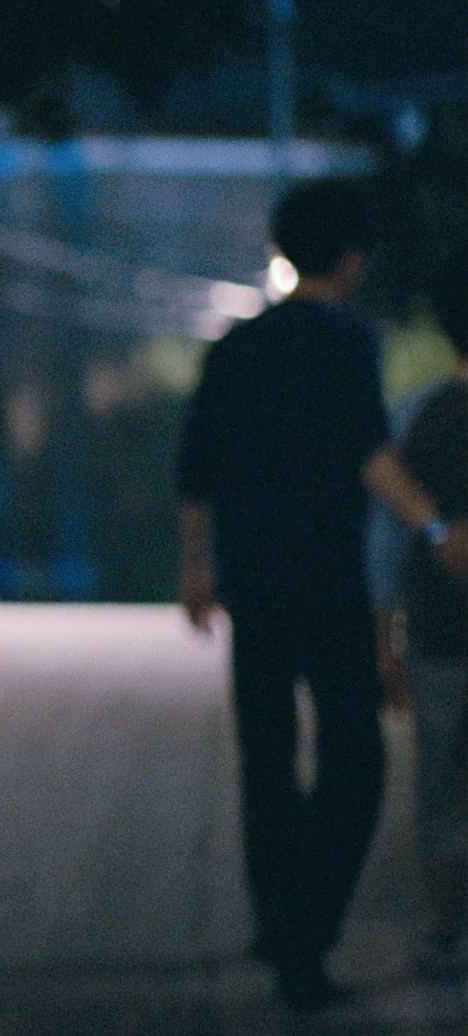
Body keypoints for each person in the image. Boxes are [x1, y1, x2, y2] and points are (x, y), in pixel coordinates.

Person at [177, 179, 468, 1011]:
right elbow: (371, 457)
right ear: (351, 258)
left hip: (253, 581)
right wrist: (437, 528)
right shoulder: (348, 342)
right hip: (328, 582)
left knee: (266, 755)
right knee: (355, 761)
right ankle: (305, 937)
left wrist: (195, 568)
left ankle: (276, 919)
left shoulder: (234, 348)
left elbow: (196, 468)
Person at [366, 244, 468, 980]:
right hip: (442, 633)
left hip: (438, 631)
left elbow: (383, 542)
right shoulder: (419, 412)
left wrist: (383, 641)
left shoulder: (416, 412)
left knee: (441, 783)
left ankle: (446, 930)